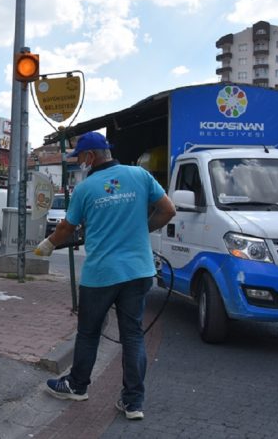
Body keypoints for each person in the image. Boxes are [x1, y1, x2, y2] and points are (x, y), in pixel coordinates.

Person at [35, 131, 176, 421]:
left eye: (80, 158)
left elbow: (67, 228)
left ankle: (77, 385)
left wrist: (47, 245)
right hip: (138, 271)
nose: (80, 164)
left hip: (102, 274)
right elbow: (168, 210)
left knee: (89, 332)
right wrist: (143, 229)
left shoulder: (86, 189)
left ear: (90, 157)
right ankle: (134, 402)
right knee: (133, 335)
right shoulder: (140, 175)